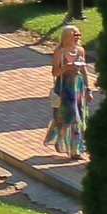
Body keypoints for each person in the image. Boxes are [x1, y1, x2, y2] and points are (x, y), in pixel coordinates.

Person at [45, 24, 92, 158]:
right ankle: (61, 136)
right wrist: (67, 67)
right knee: (67, 117)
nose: (77, 37)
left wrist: (88, 89)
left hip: (78, 87)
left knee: (79, 117)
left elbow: (84, 71)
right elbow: (55, 72)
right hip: (64, 88)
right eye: (74, 35)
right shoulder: (60, 51)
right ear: (67, 36)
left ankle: (75, 149)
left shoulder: (80, 51)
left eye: (79, 35)